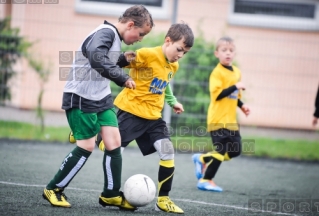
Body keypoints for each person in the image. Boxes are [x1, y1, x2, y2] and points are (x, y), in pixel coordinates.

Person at [42, 5, 153, 210]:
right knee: (87, 146)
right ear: (130, 25)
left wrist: (122, 59)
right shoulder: (106, 32)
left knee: (114, 142)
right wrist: (122, 77)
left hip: (100, 97)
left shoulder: (112, 37)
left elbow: (103, 60)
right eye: (141, 34)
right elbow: (95, 57)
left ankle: (110, 194)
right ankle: (54, 188)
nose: (140, 39)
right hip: (81, 97)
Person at [95, 22, 194, 214]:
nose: (180, 55)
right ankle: (93, 134)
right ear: (168, 41)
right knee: (112, 149)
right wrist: (120, 67)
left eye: (185, 52)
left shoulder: (174, 65)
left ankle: (163, 199)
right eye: (179, 49)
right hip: (131, 112)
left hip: (153, 118)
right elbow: (116, 62)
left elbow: (164, 83)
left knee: (168, 152)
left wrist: (173, 101)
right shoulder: (147, 54)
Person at [192, 36, 250, 192]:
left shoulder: (236, 72)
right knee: (220, 150)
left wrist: (242, 106)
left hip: (231, 121)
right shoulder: (216, 73)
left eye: (231, 50)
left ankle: (202, 158)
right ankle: (205, 180)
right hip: (217, 119)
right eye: (224, 50)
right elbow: (217, 95)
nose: (228, 53)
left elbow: (234, 96)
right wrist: (235, 86)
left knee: (235, 151)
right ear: (217, 53)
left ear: (235, 53)